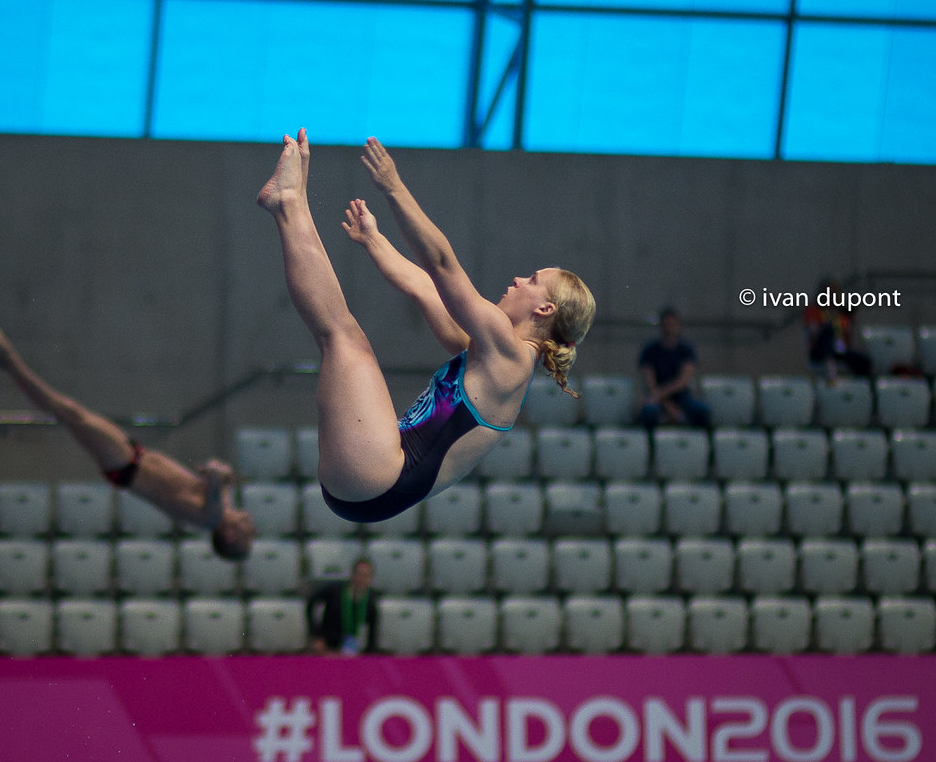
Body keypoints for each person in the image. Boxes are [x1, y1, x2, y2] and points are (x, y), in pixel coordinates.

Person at [257, 128, 595, 522]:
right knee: (340, 337)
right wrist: (374, 240)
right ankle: (288, 205)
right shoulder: (485, 354)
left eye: (532, 281)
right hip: (371, 484)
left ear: (545, 310)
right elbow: (424, 286)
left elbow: (442, 263)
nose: (519, 280)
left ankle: (288, 203)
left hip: (379, 475)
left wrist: (393, 186)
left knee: (344, 338)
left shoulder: (512, 356)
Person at [0, 323, 257, 559]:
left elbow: (215, 478)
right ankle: (9, 364)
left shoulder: (210, 519)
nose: (252, 528)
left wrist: (217, 474)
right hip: (134, 455)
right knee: (70, 411)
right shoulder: (221, 506)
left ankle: (10, 363)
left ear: (230, 536)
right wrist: (223, 475)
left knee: (66, 412)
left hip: (127, 467)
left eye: (248, 536)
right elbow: (222, 477)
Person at [638, 307, 711, 430]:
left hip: (682, 397)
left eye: (672, 324)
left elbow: (682, 382)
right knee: (648, 413)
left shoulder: (686, 350)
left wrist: (663, 397)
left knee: (701, 411)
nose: (669, 328)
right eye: (666, 325)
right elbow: (650, 384)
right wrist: (668, 406)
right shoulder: (649, 351)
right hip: (657, 398)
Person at [803, 278, 872, 382]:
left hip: (838, 351)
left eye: (834, 294)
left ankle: (862, 390)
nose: (831, 297)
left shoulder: (842, 315)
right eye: (829, 294)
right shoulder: (814, 311)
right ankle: (830, 366)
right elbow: (814, 333)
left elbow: (846, 339)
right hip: (819, 351)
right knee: (828, 329)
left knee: (865, 361)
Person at [306, 557, 379, 655]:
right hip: (327, 649)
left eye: (366, 576)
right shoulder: (334, 591)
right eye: (359, 574)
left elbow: (372, 636)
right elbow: (311, 603)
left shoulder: (370, 602)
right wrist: (315, 635)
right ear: (352, 575)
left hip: (353, 652)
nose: (362, 579)